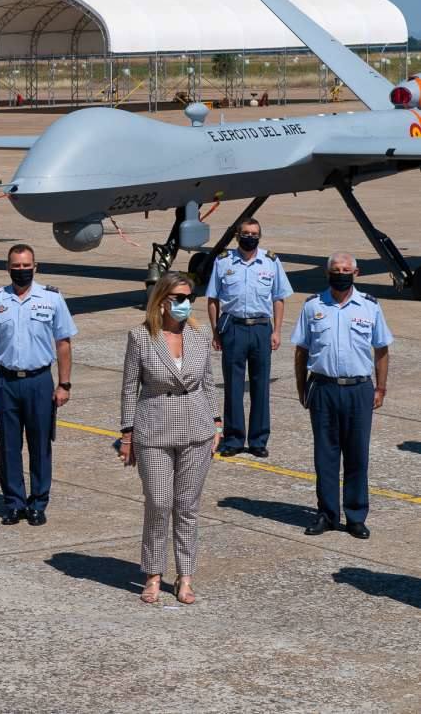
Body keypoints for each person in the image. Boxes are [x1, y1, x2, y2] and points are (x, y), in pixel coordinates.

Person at [119, 272, 221, 606]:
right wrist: (127, 433)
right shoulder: (140, 337)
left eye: (189, 298)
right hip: (154, 430)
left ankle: (186, 576)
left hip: (197, 429)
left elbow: (208, 381)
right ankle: (152, 574)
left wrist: (216, 423)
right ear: (161, 300)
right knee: (159, 503)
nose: (184, 304)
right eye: (178, 298)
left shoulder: (199, 334)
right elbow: (129, 385)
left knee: (187, 506)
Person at [292, 252, 391, 540]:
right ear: (327, 274)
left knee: (357, 454)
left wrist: (380, 387)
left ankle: (356, 515)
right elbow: (301, 351)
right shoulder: (313, 306)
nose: (341, 273)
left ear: (356, 273)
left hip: (359, 389)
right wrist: (301, 387)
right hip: (323, 387)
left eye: (346, 269)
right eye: (336, 269)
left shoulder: (370, 307)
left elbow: (382, 349)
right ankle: (327, 514)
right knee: (325, 455)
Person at [0, 244, 76, 526]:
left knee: (40, 445)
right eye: (16, 266)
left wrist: (64, 384)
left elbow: (64, 344)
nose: (21, 271)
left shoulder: (52, 299)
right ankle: (13, 503)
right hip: (5, 381)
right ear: (8, 268)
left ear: (36, 266)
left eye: (26, 265)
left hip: (39, 381)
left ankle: (38, 503)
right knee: (8, 446)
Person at [205, 218, 292, 458]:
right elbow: (213, 299)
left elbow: (279, 298)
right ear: (237, 236)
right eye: (245, 233)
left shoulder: (271, 262)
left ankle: (258, 440)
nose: (250, 237)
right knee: (233, 385)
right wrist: (215, 332)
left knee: (260, 385)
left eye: (254, 234)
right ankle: (233, 439)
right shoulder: (223, 262)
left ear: (259, 237)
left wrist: (277, 331)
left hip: (261, 328)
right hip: (233, 328)